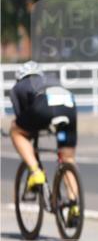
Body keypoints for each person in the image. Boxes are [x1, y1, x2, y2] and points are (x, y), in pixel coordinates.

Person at [8, 61, 81, 227]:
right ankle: (73, 205)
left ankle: (35, 172)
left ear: (20, 77)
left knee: (16, 131)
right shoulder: (51, 79)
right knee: (67, 158)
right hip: (69, 107)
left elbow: (22, 118)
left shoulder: (18, 87)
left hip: (44, 107)